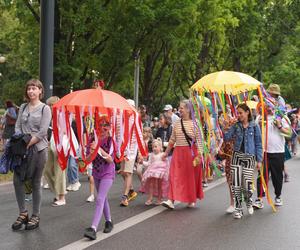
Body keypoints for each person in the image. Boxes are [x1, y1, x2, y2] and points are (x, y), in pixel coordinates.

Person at [12, 79, 51, 230]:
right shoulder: (22, 107)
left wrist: (27, 144)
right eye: (29, 89)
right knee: (17, 180)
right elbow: (17, 126)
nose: (31, 91)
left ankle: (35, 215)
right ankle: (23, 213)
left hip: (39, 150)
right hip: (22, 149)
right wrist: (19, 141)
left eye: (34, 88)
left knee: (35, 182)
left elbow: (42, 132)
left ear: (40, 91)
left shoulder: (45, 108)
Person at [161, 99, 204, 209]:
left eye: (181, 108)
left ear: (188, 109)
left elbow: (199, 140)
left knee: (190, 178)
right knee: (174, 175)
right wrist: (166, 153)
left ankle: (191, 198)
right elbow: (172, 140)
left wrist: (200, 155)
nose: (179, 110)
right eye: (179, 108)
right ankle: (171, 200)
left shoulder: (195, 123)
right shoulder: (176, 123)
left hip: (191, 154)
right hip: (178, 153)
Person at [223, 103, 263, 219]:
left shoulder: (254, 126)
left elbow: (258, 144)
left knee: (246, 184)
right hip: (236, 156)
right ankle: (238, 208)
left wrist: (259, 160)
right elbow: (226, 138)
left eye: (240, 113)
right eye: (238, 113)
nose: (238, 115)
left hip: (249, 157)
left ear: (247, 113)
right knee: (236, 184)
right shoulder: (236, 126)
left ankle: (249, 201)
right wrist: (225, 128)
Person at [253, 105, 291, 209]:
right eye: (266, 106)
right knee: (262, 175)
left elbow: (289, 134)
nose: (268, 108)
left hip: (278, 151)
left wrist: (279, 126)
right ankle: (260, 199)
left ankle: (278, 196)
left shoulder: (281, 117)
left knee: (277, 176)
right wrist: (259, 125)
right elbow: (255, 134)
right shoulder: (259, 118)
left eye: (270, 106)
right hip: (264, 152)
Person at [84, 118, 115, 240]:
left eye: (105, 125)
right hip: (96, 173)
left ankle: (93, 228)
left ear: (109, 128)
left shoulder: (111, 141)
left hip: (108, 172)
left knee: (100, 198)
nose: (102, 128)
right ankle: (109, 221)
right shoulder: (92, 139)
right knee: (103, 197)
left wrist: (98, 149)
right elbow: (87, 160)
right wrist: (92, 152)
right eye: (100, 125)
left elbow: (110, 159)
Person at [43, 96, 68, 206]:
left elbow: (65, 132)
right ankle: (58, 192)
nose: (50, 107)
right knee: (47, 170)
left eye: (51, 105)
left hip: (60, 146)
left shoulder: (62, 115)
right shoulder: (53, 116)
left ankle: (62, 197)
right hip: (53, 144)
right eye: (49, 105)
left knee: (59, 171)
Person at [140, 139, 169, 205]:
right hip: (152, 171)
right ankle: (150, 198)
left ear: (160, 147)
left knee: (159, 185)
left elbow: (166, 163)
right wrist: (142, 162)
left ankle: (159, 199)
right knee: (151, 185)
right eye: (153, 147)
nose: (154, 148)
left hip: (160, 172)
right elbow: (148, 163)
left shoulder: (162, 155)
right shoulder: (151, 155)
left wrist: (167, 172)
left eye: (156, 147)